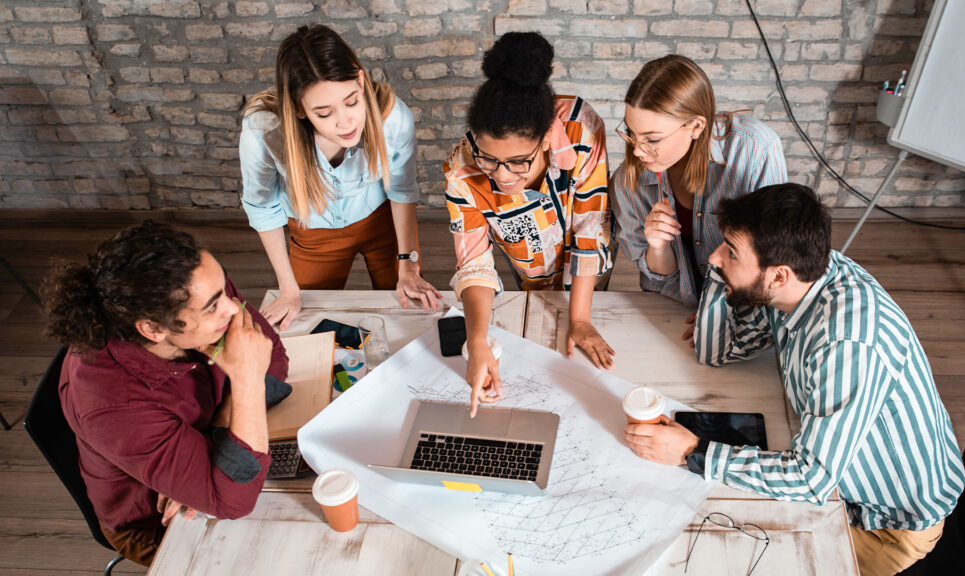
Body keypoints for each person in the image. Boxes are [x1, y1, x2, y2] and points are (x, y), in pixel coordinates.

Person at [624, 184, 965, 576]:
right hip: (838, 487)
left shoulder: (845, 343)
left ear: (778, 276)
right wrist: (726, 274)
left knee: (716, 557)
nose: (713, 257)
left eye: (731, 252)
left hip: (885, 524)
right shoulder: (800, 280)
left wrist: (692, 452)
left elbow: (811, 479)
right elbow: (717, 352)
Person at [42, 221, 291, 566]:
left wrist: (213, 440)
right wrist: (246, 379)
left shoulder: (202, 291)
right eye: (214, 307)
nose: (234, 310)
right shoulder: (111, 404)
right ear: (153, 329)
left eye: (223, 291)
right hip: (154, 519)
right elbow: (234, 500)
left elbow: (272, 355)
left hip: (202, 478)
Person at [443, 32, 615, 415]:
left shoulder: (581, 129)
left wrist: (581, 319)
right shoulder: (461, 172)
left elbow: (591, 227)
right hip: (528, 270)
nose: (502, 176)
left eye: (519, 161)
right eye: (488, 158)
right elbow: (474, 263)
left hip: (588, 268)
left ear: (546, 138)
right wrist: (478, 341)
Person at [240, 24, 441, 329]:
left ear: (360, 80)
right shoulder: (264, 131)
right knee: (304, 324)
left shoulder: (394, 117)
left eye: (351, 102)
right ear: (298, 108)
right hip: (313, 234)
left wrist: (409, 264)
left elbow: (401, 188)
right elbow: (262, 207)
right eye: (324, 113)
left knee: (410, 316)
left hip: (383, 223)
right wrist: (288, 289)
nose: (345, 122)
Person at [611, 55, 787, 310]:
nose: (637, 151)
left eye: (652, 139)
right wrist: (658, 246)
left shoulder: (756, 150)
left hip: (744, 306)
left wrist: (717, 315)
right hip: (673, 307)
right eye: (631, 133)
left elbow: (774, 256)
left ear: (695, 126)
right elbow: (660, 279)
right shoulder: (627, 182)